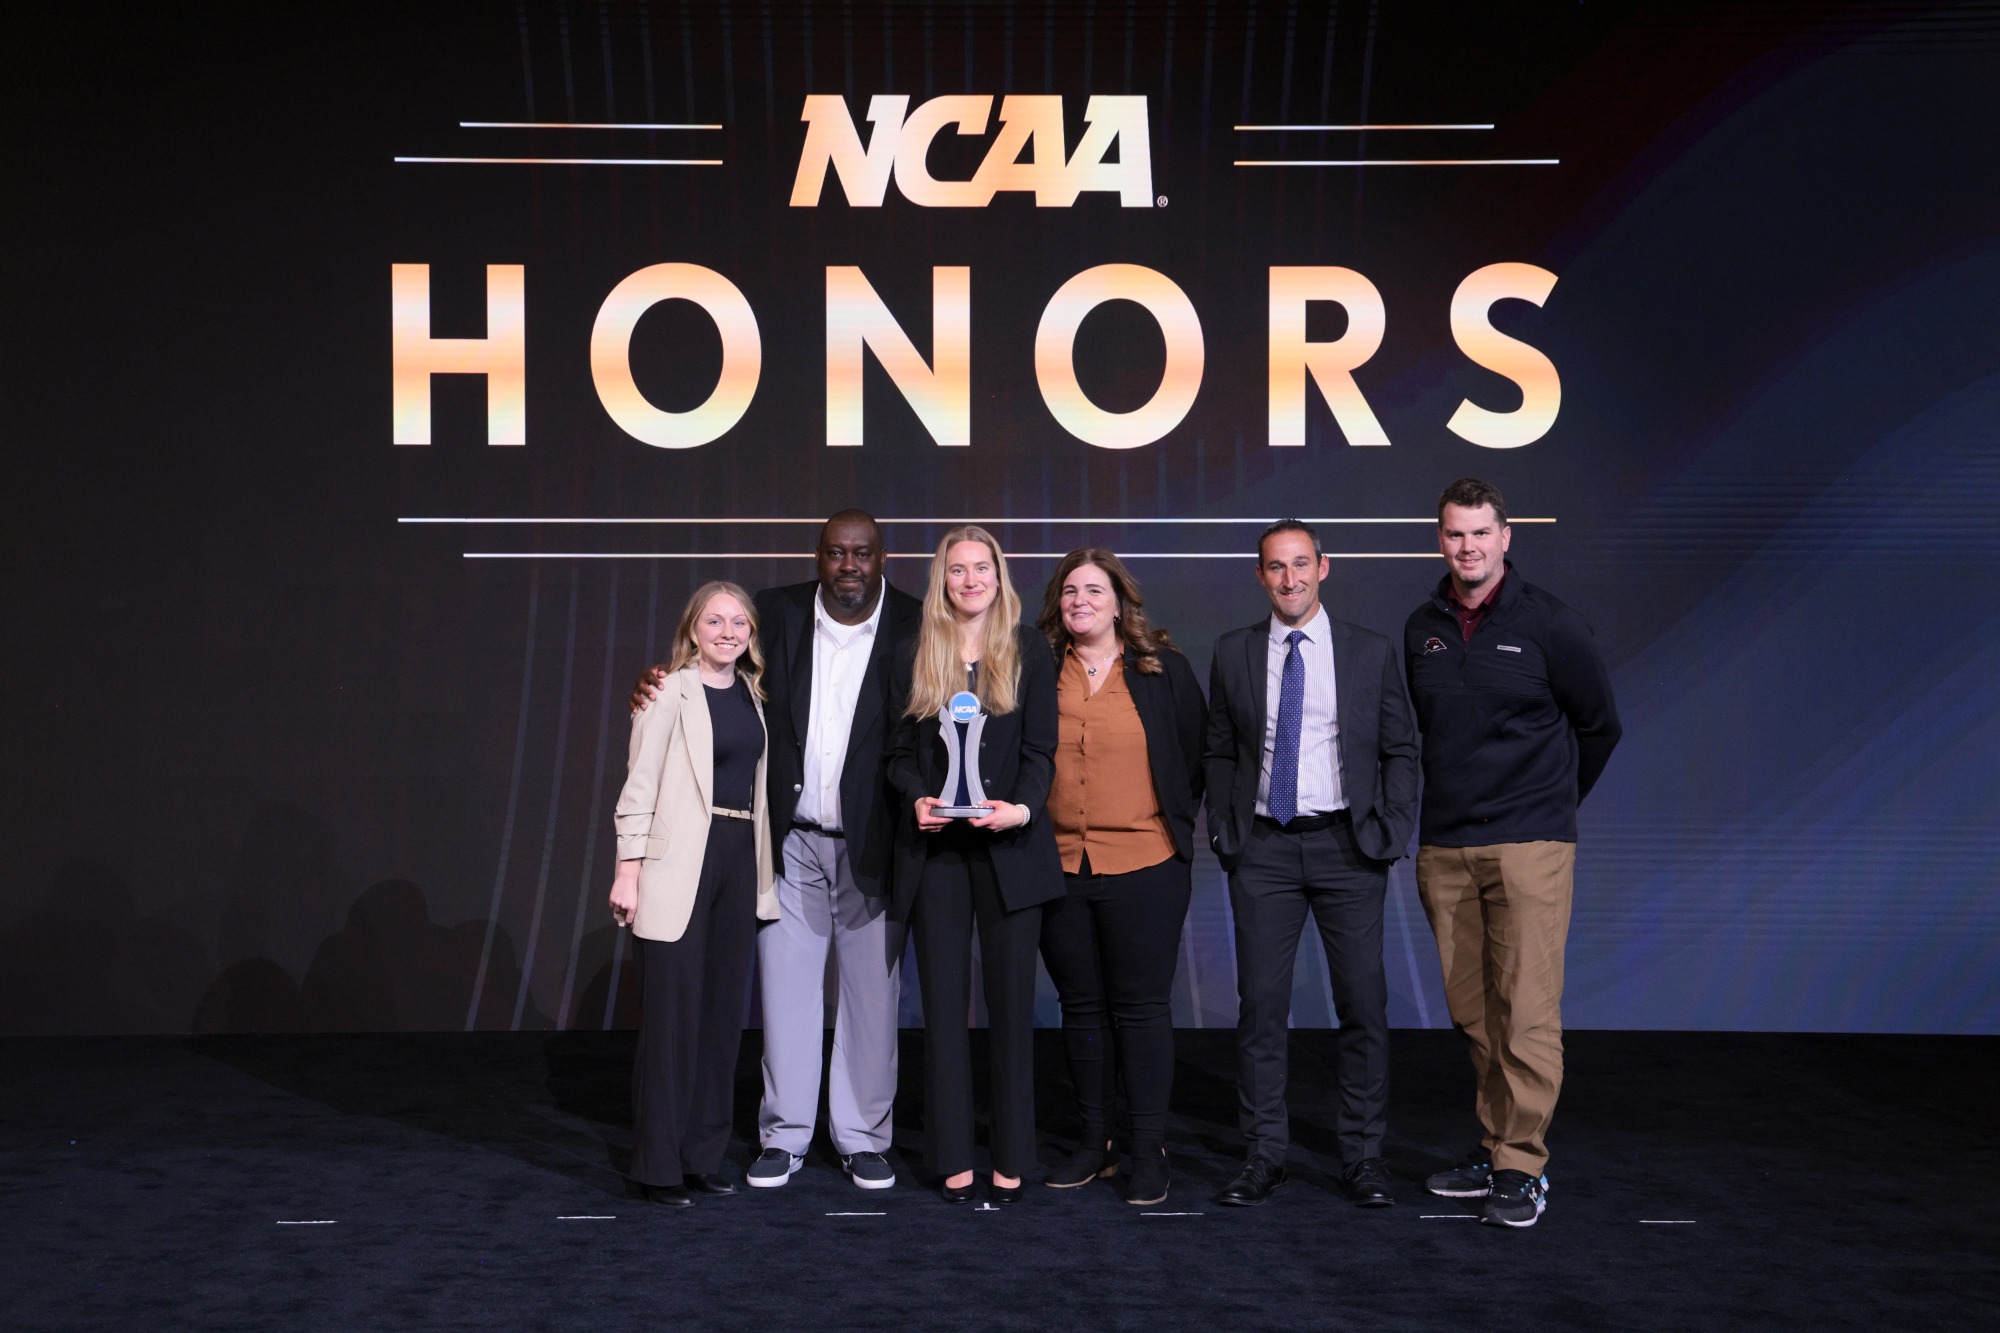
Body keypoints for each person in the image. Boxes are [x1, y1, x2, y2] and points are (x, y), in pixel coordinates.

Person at [631, 511, 920, 1192]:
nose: (849, 566)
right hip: (788, 840)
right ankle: (785, 1134)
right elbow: (713, 670)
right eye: (836, 553)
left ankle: (862, 1137)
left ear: (883, 559)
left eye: (862, 554)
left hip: (875, 840)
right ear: (817, 556)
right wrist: (656, 679)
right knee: (785, 995)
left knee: (871, 1001)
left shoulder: (915, 622)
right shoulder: (776, 611)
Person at [1405, 478, 1621, 1228]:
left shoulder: (1552, 623)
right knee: (1475, 1013)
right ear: (1441, 540)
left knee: (1526, 1012)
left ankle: (1523, 1166)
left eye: (1480, 533)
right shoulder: (1422, 627)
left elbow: (1600, 726)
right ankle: (1495, 1143)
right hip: (1446, 845)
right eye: (1454, 534)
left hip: (1531, 843)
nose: (1467, 547)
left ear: (1506, 537)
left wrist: (1553, 808)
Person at [1203, 520, 1419, 1208]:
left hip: (1347, 848)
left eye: (1301, 564)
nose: (1289, 578)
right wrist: (1225, 829)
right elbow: (1219, 748)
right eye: (1276, 566)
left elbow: (1401, 748)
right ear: (1260, 575)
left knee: (1363, 1005)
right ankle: (1264, 1155)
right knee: (1262, 1009)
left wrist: (1390, 830)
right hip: (1263, 850)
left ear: (1323, 568)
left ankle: (1363, 1158)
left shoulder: (1369, 650)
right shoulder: (1234, 651)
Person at [885, 525, 1063, 1204]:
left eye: (980, 567)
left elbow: (1041, 750)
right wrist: (916, 797)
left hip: (1009, 849)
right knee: (942, 1009)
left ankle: (1012, 1156)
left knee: (1012, 1010)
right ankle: (953, 1156)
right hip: (938, 854)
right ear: (943, 578)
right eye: (957, 569)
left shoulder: (1029, 648)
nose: (970, 580)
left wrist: (1020, 809)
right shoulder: (913, 650)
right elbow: (896, 754)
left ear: (998, 574)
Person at [1033, 549, 1205, 1205]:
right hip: (1058, 866)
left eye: (1094, 590)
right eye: (1069, 590)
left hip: (1146, 865)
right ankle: (1094, 1141)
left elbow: (1192, 758)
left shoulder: (1163, 670)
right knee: (1080, 1007)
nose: (1081, 600)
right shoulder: (1037, 670)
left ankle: (1147, 1147)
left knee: (1141, 1008)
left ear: (1119, 603)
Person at [609, 581, 778, 1207]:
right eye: (715, 621)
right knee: (671, 1024)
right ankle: (656, 1168)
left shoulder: (755, 695)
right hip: (678, 863)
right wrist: (627, 873)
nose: (728, 632)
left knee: (721, 1019)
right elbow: (638, 787)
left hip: (740, 860)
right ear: (693, 629)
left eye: (739, 622)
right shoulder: (665, 692)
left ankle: (701, 1158)